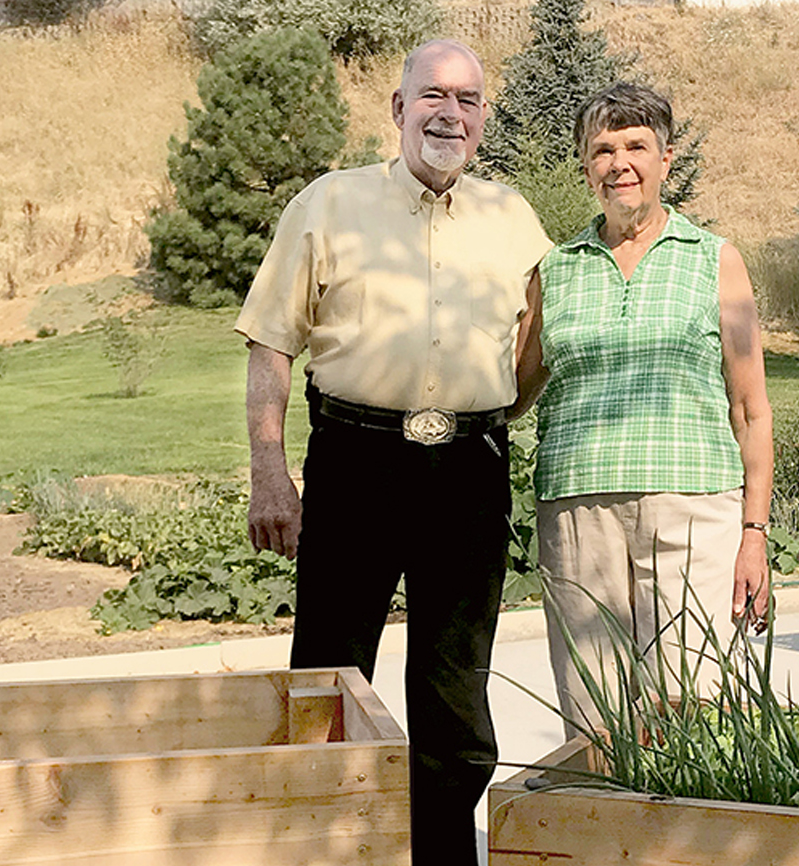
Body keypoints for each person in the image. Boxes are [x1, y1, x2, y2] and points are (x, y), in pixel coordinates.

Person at [235, 39, 551, 865]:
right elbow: (271, 343)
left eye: (468, 99)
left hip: (470, 476)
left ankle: (442, 856)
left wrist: (486, 416)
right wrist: (270, 472)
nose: (451, 113)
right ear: (399, 108)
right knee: (329, 683)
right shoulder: (328, 204)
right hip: (356, 465)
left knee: (456, 698)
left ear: (483, 118)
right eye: (434, 95)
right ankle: (324, 852)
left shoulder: (513, 218)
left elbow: (534, 345)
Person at [512, 82, 774, 737]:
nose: (619, 163)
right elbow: (510, 392)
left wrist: (754, 533)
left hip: (694, 510)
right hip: (578, 511)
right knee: (592, 718)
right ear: (585, 166)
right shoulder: (555, 269)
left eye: (635, 146)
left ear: (666, 158)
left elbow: (751, 409)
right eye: (603, 150)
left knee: (693, 710)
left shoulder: (716, 261)